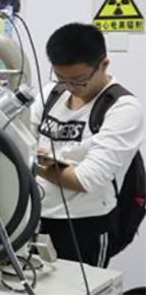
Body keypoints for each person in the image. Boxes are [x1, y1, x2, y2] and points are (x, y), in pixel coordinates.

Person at [32, 23, 144, 267]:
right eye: (61, 78)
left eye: (79, 80)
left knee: (82, 285)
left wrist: (33, 162)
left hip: (84, 226)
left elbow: (86, 180)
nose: (70, 87)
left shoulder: (123, 108)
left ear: (103, 65)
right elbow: (21, 138)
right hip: (36, 218)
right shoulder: (52, 94)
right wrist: (51, 166)